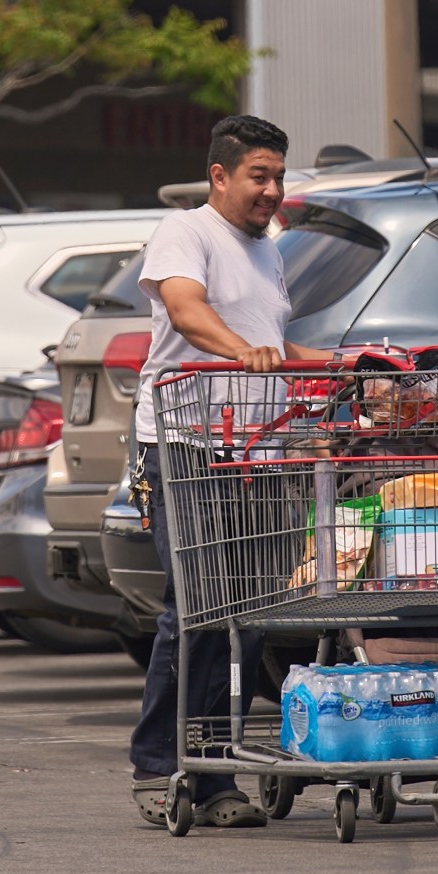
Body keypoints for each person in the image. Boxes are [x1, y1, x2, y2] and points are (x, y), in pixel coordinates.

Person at [128, 115, 332, 828]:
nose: (271, 190)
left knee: (248, 618)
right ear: (219, 176)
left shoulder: (267, 249)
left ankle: (214, 774)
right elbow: (187, 312)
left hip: (256, 454)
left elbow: (274, 343)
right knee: (197, 611)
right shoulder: (186, 231)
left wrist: (348, 363)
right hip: (185, 447)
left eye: (278, 177)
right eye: (258, 176)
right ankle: (158, 765)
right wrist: (240, 349)